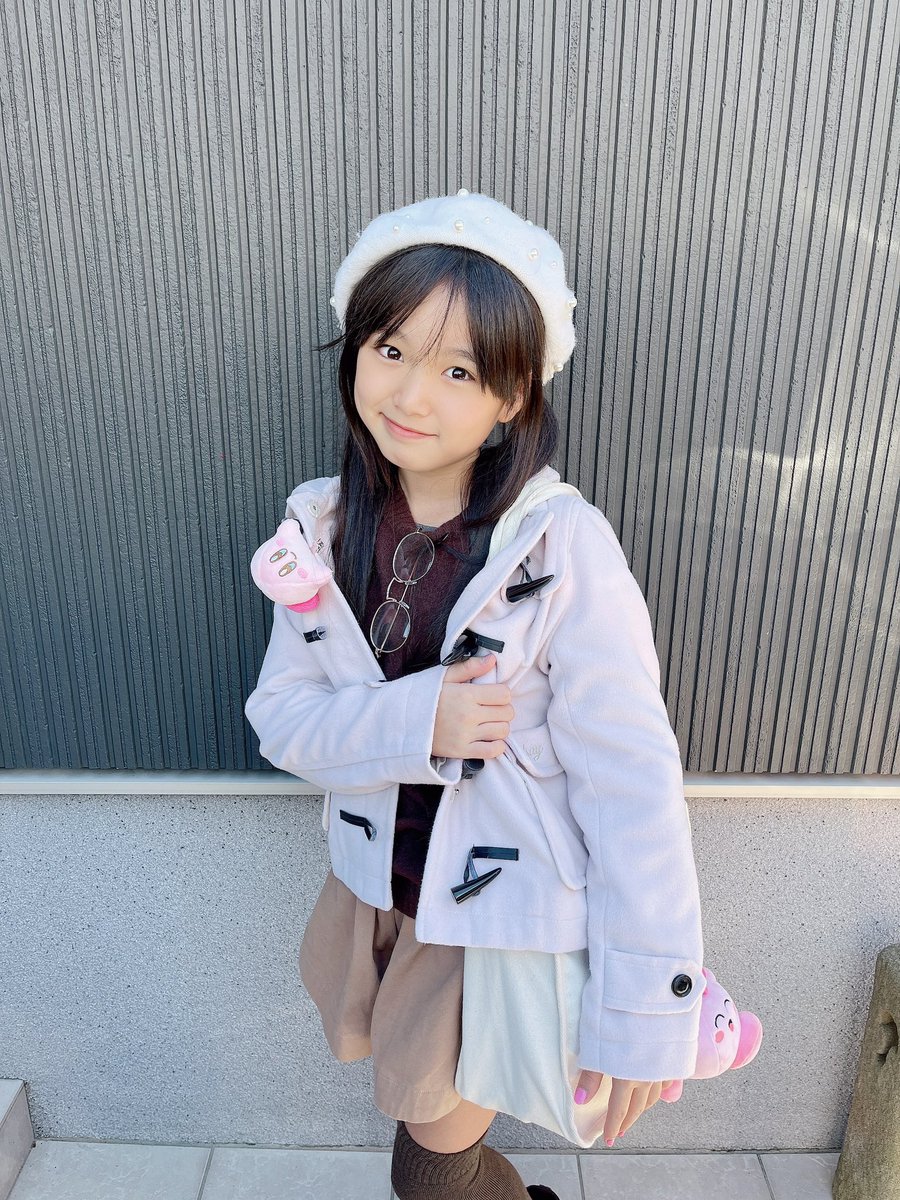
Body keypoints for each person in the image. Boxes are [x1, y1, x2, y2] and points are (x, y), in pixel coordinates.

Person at [244, 190, 704, 1200]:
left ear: (512, 396)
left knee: (428, 1168)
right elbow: (280, 720)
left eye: (458, 370)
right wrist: (426, 721)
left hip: (496, 924)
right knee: (428, 1140)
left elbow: (631, 781)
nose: (412, 393)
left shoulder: (562, 545)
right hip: (379, 892)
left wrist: (648, 1003)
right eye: (391, 350)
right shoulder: (321, 529)